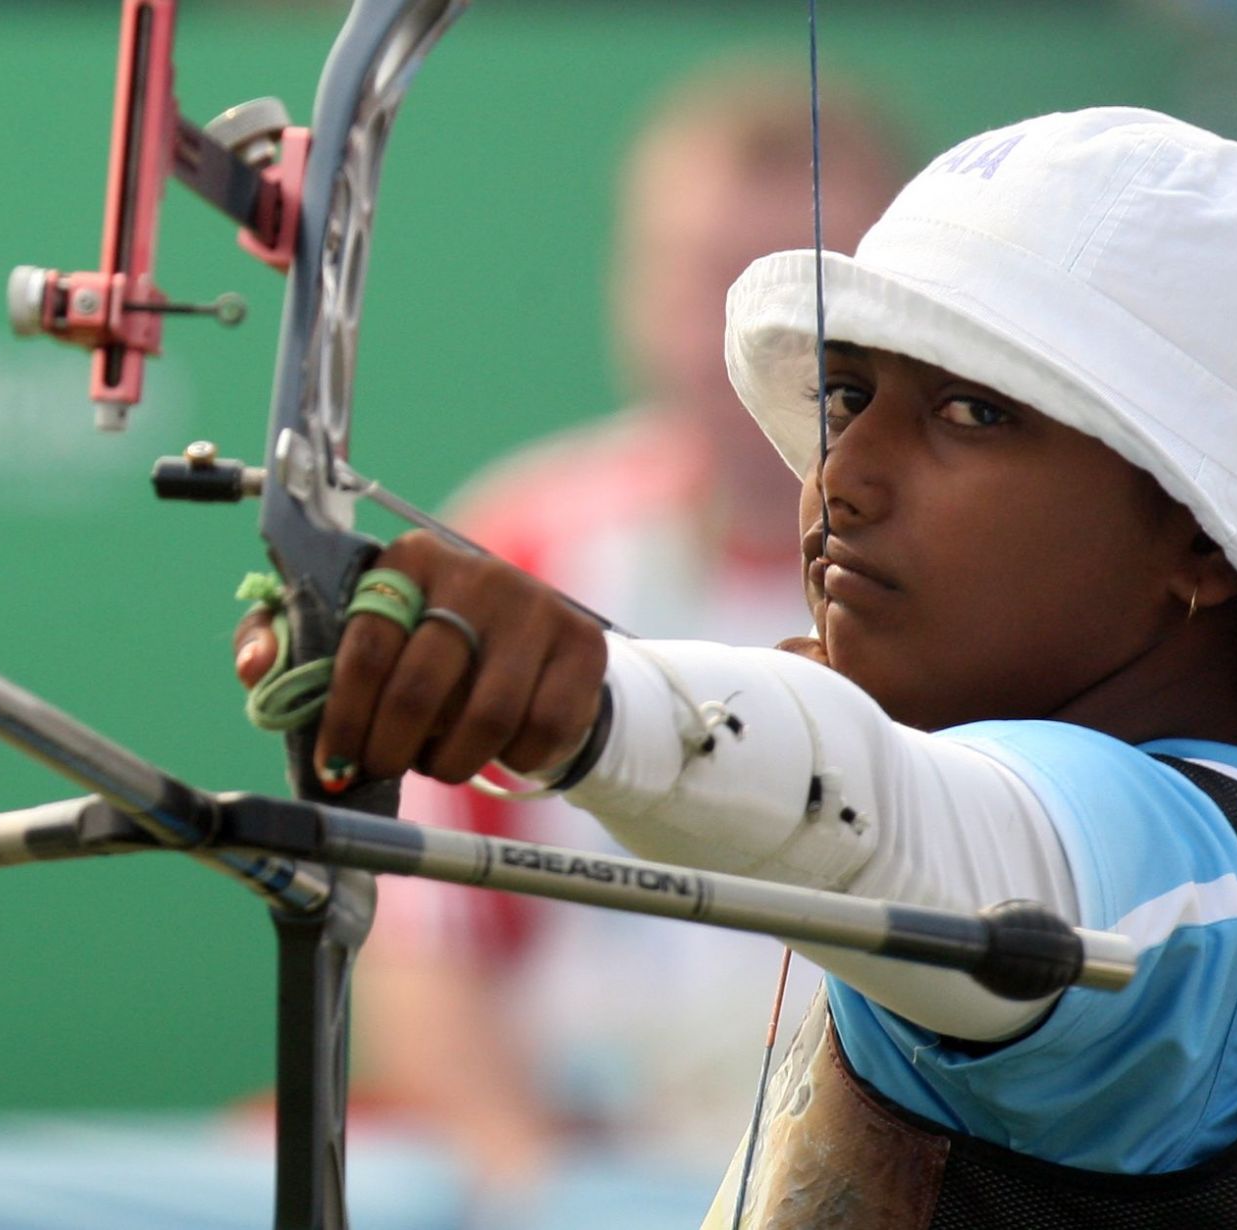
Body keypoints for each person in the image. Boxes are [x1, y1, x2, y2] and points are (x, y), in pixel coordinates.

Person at [237, 105, 1237, 1226]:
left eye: (972, 415)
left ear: (1204, 541)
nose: (842, 475)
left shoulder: (1173, 880)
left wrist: (594, 705)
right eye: (848, 396)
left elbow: (932, 830)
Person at [354, 62, 911, 1197]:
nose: (744, 349)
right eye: (702, 282)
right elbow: (424, 954)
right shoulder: (522, 549)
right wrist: (535, 1195)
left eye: (799, 303)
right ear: (632, 285)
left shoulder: (986, 602)